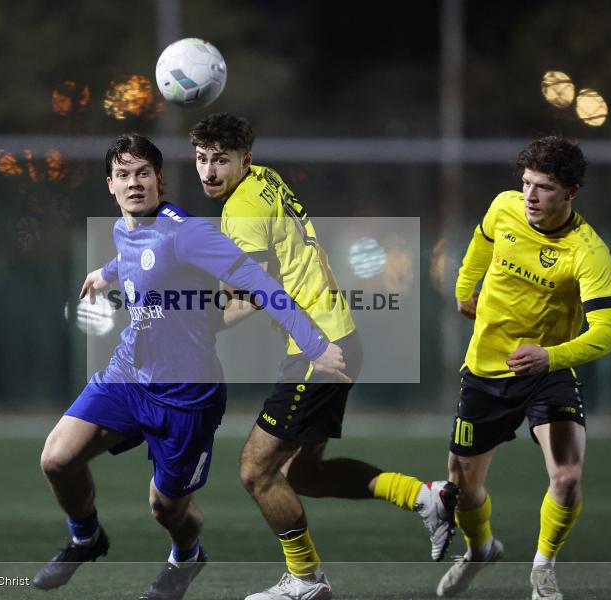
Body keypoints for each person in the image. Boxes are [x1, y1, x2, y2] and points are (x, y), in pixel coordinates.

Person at [32, 133, 348, 600]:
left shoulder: (188, 233)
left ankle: (186, 557)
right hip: (129, 375)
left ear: (159, 179)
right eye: (124, 175)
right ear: (110, 185)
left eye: (143, 173)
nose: (134, 183)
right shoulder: (127, 227)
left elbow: (256, 281)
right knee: (56, 459)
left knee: (166, 509)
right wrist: (105, 273)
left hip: (187, 397)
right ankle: (86, 538)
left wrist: (314, 344)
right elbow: (135, 253)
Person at [190, 113, 460, 600]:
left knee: (257, 470)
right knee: (303, 474)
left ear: (243, 160)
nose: (209, 171)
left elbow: (252, 295)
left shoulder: (242, 209)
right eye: (202, 159)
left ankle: (306, 579)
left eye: (221, 161)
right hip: (339, 339)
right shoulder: (264, 179)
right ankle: (425, 496)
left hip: (318, 348)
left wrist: (196, 323)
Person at [436, 136, 611, 600]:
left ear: (571, 192)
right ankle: (481, 549)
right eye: (526, 184)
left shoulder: (588, 251)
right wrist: (463, 290)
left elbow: (607, 332)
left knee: (568, 477)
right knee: (462, 486)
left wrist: (550, 357)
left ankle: (543, 571)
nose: (531, 197)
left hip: (547, 372)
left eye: (545, 187)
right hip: (484, 370)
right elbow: (480, 242)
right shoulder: (505, 208)